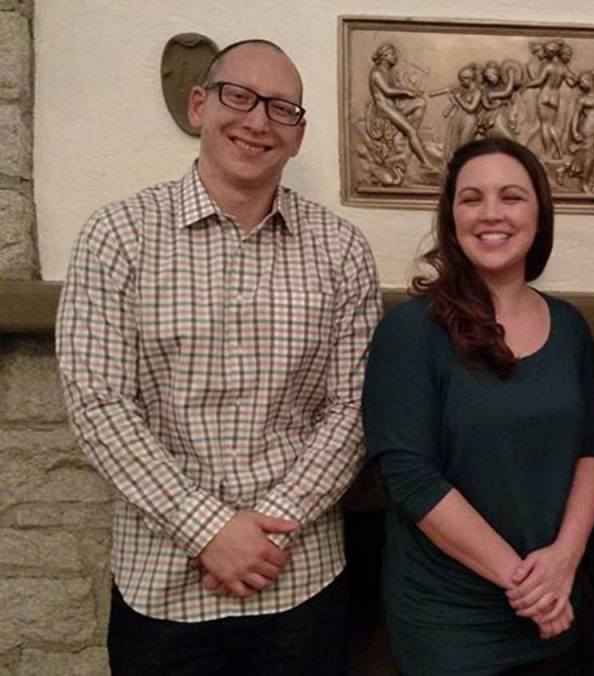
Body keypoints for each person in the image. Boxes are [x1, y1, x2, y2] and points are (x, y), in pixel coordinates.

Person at [56, 39, 381, 674]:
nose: (257, 121)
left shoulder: (341, 249)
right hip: (161, 589)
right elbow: (99, 404)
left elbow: (352, 407)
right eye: (239, 97)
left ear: (298, 135)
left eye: (281, 109)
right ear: (199, 105)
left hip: (299, 579)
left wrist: (267, 530)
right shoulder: (117, 235)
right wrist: (209, 530)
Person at [362, 137, 594, 676]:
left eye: (512, 197)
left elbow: (592, 450)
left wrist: (563, 563)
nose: (491, 213)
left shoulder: (567, 328)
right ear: (451, 219)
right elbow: (410, 478)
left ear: (540, 214)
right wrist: (529, 586)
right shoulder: (411, 331)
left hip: (557, 607)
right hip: (451, 624)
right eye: (472, 198)